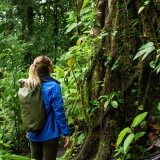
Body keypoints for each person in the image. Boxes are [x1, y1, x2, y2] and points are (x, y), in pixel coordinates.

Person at [25, 55, 70, 160]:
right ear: (50, 68)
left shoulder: (29, 85)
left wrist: (28, 129)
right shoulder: (53, 86)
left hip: (33, 132)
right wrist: (66, 133)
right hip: (50, 133)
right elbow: (59, 112)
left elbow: (26, 110)